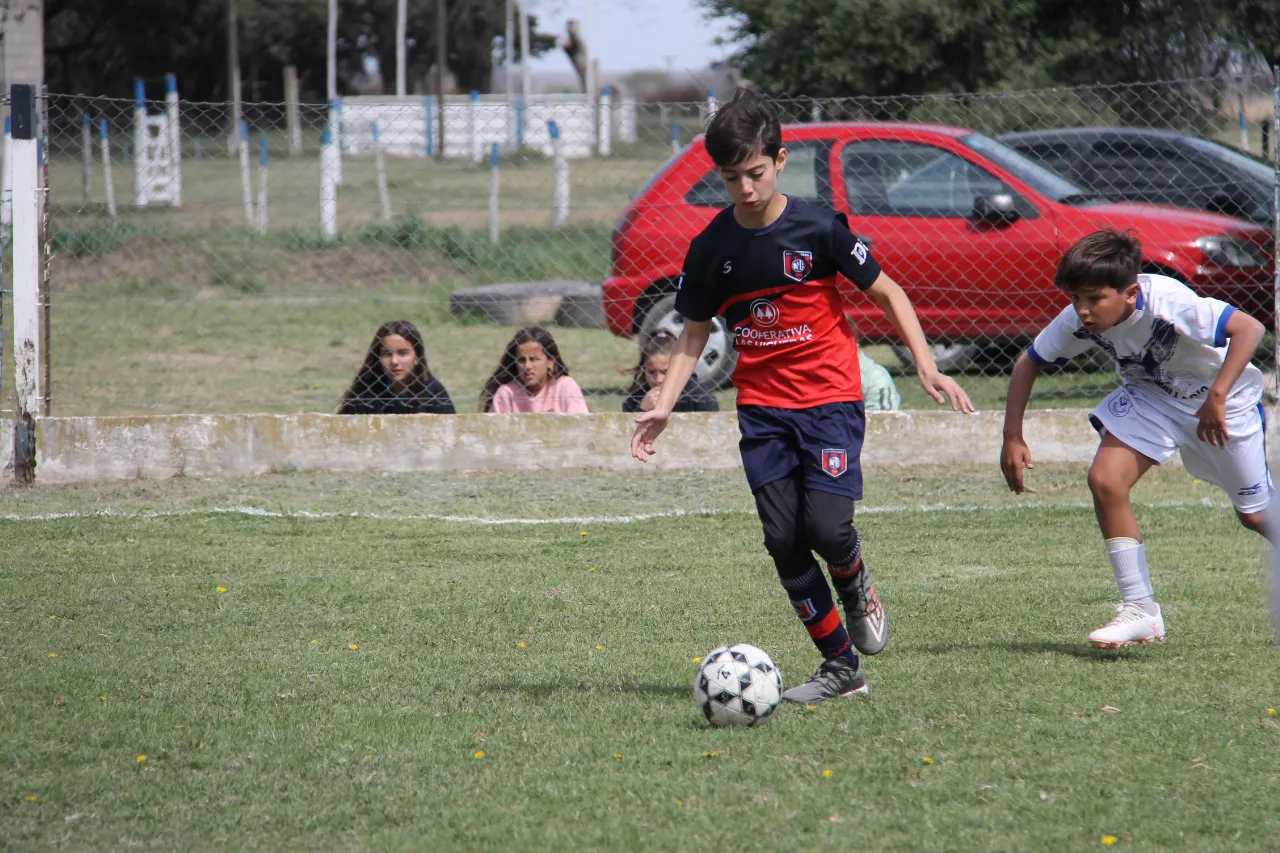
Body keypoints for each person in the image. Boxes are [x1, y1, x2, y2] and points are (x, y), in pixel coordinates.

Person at [629, 88, 974, 705]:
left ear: (781, 160)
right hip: (763, 409)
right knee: (783, 540)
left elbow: (890, 293)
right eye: (732, 178)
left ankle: (855, 577)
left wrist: (927, 366)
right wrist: (663, 405)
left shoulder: (818, 227)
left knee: (828, 528)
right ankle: (842, 666)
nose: (747, 189)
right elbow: (694, 331)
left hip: (830, 401)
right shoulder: (712, 248)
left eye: (756, 173)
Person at [1000, 230, 1271, 649]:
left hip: (1221, 406)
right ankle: (1141, 609)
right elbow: (1028, 362)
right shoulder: (1078, 319)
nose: (1082, 310)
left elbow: (1249, 329)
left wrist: (1217, 394)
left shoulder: (1167, 301)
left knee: (1255, 516)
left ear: (1130, 293)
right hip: (1152, 399)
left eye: (1093, 299)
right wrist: (1012, 435)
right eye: (1075, 298)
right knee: (1106, 480)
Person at [338, 320, 455, 415]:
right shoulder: (366, 393)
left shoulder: (433, 392)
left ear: (417, 356)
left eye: (403, 353)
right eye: (387, 354)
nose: (394, 361)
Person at [481, 325, 590, 414]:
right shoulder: (507, 394)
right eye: (522, 360)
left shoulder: (565, 388)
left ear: (550, 362)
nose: (527, 366)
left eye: (534, 359)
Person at [623, 330, 720, 414]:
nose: (658, 379)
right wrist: (642, 410)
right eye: (651, 372)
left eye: (665, 372)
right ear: (644, 370)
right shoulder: (635, 401)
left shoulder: (700, 398)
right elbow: (626, 433)